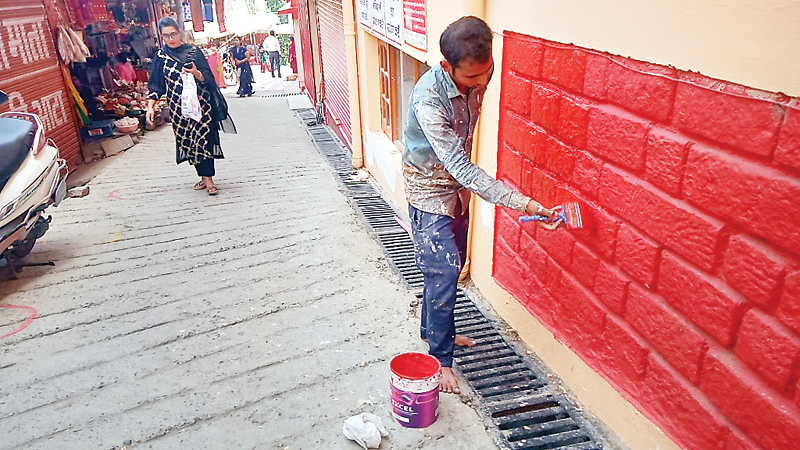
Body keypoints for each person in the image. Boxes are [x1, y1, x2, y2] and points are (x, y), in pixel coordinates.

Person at [403, 16, 562, 395]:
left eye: (487, 73)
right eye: (473, 78)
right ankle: (440, 360)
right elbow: (458, 165)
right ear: (447, 67)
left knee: (448, 264)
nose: (482, 84)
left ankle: (433, 331)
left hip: (459, 189)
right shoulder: (429, 100)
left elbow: (461, 167)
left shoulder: (480, 73)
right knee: (444, 270)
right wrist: (524, 203)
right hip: (428, 189)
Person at [146, 17, 225, 196]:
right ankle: (203, 176)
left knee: (203, 139)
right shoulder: (161, 56)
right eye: (166, 36)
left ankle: (209, 179)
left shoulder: (193, 52)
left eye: (173, 34)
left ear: (179, 31)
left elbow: (209, 79)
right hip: (178, 109)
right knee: (188, 142)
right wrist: (151, 106)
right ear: (161, 36)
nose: (170, 39)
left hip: (201, 105)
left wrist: (196, 73)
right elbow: (156, 85)